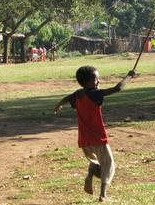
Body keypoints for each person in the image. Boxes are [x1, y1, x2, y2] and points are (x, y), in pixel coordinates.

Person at [53, 66, 135, 202]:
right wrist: (129, 77)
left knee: (96, 161)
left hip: (84, 141)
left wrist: (59, 104)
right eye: (95, 80)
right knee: (108, 164)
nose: (98, 82)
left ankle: (89, 177)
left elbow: (68, 97)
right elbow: (117, 88)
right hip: (98, 138)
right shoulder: (95, 94)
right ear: (86, 83)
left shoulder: (78, 94)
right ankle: (103, 195)